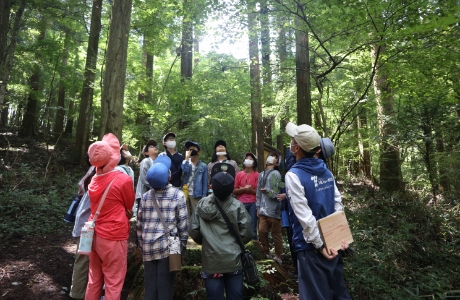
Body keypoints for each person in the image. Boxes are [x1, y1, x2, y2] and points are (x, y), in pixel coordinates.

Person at [284, 122, 351, 300]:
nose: (290, 143)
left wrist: (320, 245)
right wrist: (339, 238)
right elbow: (338, 205)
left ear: (296, 147)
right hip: (333, 243)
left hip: (310, 248)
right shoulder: (326, 171)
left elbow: (305, 217)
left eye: (292, 140)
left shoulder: (293, 175)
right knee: (338, 292)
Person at [85, 133, 135, 300]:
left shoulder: (93, 181)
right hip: (113, 235)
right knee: (114, 281)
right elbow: (129, 206)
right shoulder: (124, 180)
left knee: (94, 279)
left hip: (94, 234)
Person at [189, 170, 252, 300]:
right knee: (235, 296)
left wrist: (206, 241)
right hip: (233, 259)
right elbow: (247, 232)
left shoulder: (202, 204)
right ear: (231, 189)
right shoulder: (237, 206)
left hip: (211, 260)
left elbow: (193, 230)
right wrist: (237, 243)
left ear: (211, 186)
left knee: (213, 296)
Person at [137, 155, 188, 300]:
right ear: (169, 176)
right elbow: (183, 225)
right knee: (165, 290)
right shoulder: (177, 195)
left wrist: (142, 244)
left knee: (150, 290)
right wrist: (182, 249)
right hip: (168, 249)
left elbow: (139, 224)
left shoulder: (146, 196)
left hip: (148, 248)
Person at [69, 153, 95, 300]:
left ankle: (79, 292)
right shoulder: (95, 172)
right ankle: (78, 293)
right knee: (84, 259)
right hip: (88, 225)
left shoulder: (92, 171)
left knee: (84, 259)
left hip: (85, 223)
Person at [256, 151, 283, 264]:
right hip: (263, 209)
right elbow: (258, 191)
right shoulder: (261, 174)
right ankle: (266, 252)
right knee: (262, 231)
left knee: (276, 233)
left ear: (277, 163)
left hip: (274, 209)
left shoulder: (276, 174)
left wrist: (267, 191)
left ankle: (278, 256)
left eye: (275, 157)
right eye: (271, 156)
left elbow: (276, 194)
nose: (272, 158)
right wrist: (258, 206)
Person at [233, 152, 259, 241]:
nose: (248, 160)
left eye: (251, 159)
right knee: (241, 224)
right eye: (247, 158)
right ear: (244, 161)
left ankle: (255, 246)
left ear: (254, 163)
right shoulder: (239, 174)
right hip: (241, 202)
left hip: (253, 203)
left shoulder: (257, 175)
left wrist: (250, 190)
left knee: (253, 225)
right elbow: (234, 190)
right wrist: (244, 189)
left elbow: (259, 192)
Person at [181, 141, 208, 218]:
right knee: (186, 216)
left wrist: (204, 197)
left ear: (198, 152)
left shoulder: (203, 166)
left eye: (193, 148)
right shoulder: (186, 163)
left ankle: (196, 230)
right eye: (189, 149)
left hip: (196, 194)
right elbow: (184, 170)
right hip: (185, 193)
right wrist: (186, 158)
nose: (191, 150)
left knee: (196, 216)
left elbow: (205, 182)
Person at [135, 139, 159, 220]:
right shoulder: (146, 161)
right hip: (143, 194)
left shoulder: (157, 162)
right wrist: (156, 187)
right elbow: (144, 178)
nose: (154, 147)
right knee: (143, 219)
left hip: (153, 194)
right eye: (151, 147)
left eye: (155, 146)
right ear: (146, 153)